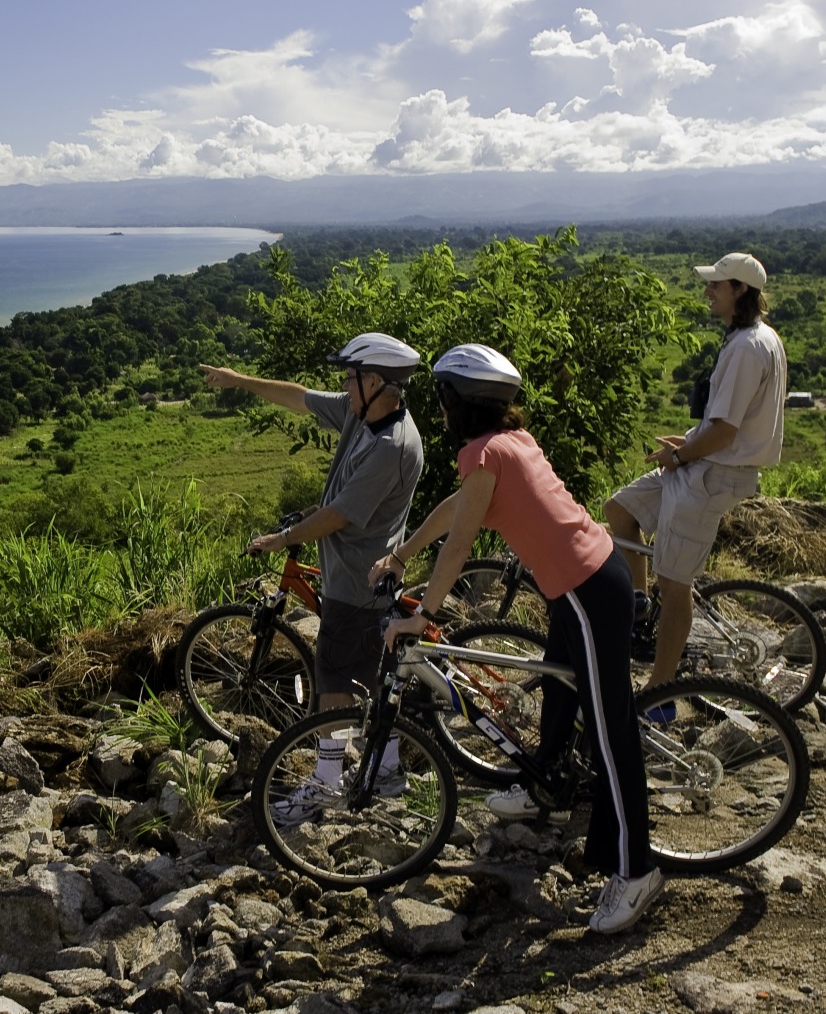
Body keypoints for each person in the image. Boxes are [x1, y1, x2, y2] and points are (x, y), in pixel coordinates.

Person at [371, 344, 661, 935]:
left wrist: (422, 615)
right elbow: (458, 510)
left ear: (456, 401)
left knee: (610, 730)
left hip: (585, 589)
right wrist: (402, 553)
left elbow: (460, 543)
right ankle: (541, 785)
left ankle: (637, 870)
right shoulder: (507, 445)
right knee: (559, 688)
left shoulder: (485, 452)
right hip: (585, 578)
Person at [200, 334, 424, 821]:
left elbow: (341, 515)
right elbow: (299, 397)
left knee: (333, 679)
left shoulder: (391, 445)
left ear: (376, 382)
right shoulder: (361, 413)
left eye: (351, 377)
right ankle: (386, 772)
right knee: (368, 673)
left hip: (357, 584)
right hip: (358, 579)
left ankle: (327, 781)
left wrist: (283, 538)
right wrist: (239, 381)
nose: (344, 385)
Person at [603, 252, 787, 687]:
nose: (708, 292)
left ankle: (659, 692)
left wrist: (682, 456)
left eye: (716, 286)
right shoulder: (755, 338)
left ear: (740, 290)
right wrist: (688, 443)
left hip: (711, 475)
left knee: (675, 583)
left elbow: (725, 433)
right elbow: (722, 427)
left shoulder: (746, 348)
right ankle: (639, 605)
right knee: (619, 511)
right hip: (703, 463)